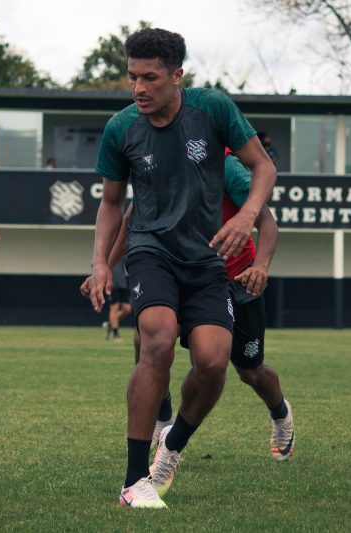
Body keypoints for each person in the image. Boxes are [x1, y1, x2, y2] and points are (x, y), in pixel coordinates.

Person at [89, 28, 276, 508]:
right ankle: (134, 481)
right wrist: (100, 264)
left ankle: (170, 448)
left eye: (150, 78)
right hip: (152, 252)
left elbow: (263, 169)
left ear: (177, 75)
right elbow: (111, 204)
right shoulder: (121, 128)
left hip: (206, 261)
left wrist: (248, 218)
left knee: (214, 363)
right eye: (132, 77)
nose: (138, 88)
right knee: (157, 339)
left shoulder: (212, 109)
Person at [82, 150, 294, 458]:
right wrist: (102, 268)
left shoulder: (228, 167)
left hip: (237, 280)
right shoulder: (157, 154)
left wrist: (260, 267)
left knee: (250, 372)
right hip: (182, 275)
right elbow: (130, 223)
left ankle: (280, 415)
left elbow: (267, 222)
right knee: (149, 339)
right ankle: (163, 417)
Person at [104, 259, 131, 341]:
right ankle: (116, 334)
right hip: (112, 284)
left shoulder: (122, 250)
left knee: (127, 309)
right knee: (114, 307)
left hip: (123, 283)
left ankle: (110, 324)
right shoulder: (107, 251)